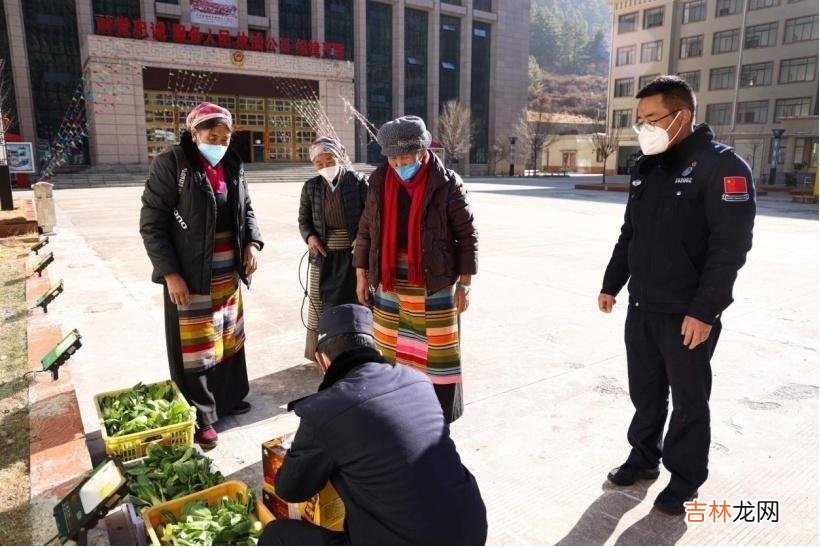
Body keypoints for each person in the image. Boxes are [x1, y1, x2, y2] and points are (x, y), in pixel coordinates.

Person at [598, 76, 755, 514]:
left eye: (652, 119)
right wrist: (613, 283)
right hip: (643, 306)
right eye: (639, 120)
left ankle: (684, 479)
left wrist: (705, 311)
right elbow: (631, 233)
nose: (643, 127)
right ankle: (643, 458)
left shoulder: (721, 167)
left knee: (688, 399)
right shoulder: (646, 167)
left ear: (681, 116)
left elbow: (730, 250)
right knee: (645, 392)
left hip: (688, 313)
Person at [260, 304, 487, 546]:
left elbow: (290, 489)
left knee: (277, 535)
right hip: (470, 531)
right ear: (374, 346)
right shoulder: (419, 380)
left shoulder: (325, 409)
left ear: (322, 361)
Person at [139, 102, 264, 449]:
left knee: (226, 335)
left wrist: (251, 244)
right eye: (212, 136)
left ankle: (226, 398)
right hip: (190, 272)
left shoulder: (233, 164)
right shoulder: (172, 164)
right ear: (194, 133)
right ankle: (201, 416)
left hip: (228, 270)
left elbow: (247, 209)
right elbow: (152, 224)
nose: (220, 143)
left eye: (225, 137)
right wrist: (170, 274)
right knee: (196, 346)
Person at [353, 115, 478, 423]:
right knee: (391, 346)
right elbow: (366, 230)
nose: (399, 164)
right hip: (390, 278)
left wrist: (464, 284)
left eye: (406, 156)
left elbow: (467, 235)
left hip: (433, 278)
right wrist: (361, 273)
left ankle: (438, 416)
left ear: (423, 150)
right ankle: (399, 406)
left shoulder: (447, 183)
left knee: (437, 352)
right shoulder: (379, 182)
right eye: (393, 157)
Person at [298, 136, 368, 362]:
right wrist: (310, 237)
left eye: (329, 160)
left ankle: (360, 348)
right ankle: (321, 352)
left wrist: (361, 237)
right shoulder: (311, 187)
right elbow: (304, 220)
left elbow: (370, 216)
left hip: (354, 253)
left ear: (340, 158)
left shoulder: (358, 182)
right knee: (322, 302)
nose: (325, 167)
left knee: (357, 299)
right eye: (319, 163)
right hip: (323, 254)